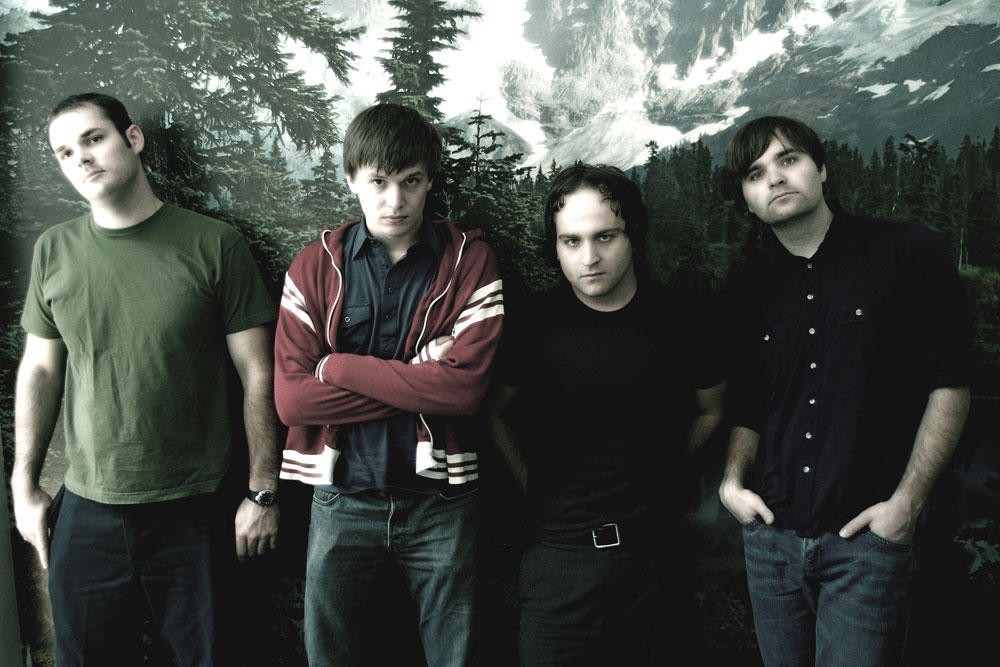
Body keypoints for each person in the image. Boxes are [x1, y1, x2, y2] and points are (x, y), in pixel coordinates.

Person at [11, 92, 281, 666]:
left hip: (195, 509)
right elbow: (39, 368)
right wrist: (23, 483)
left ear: (132, 139)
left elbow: (258, 371)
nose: (81, 158)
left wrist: (262, 491)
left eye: (93, 138)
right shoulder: (54, 250)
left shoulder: (215, 244)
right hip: (88, 508)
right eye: (65, 152)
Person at [718, 115, 972, 666]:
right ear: (747, 199)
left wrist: (907, 505)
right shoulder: (747, 287)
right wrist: (732, 483)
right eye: (756, 173)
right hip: (771, 541)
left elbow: (950, 385)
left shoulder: (906, 251)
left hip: (867, 541)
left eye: (788, 159)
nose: (775, 178)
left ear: (822, 169)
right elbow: (751, 405)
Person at [273, 102, 505, 666]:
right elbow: (293, 401)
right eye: (378, 181)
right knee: (331, 655)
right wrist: (421, 374)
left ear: (430, 181)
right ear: (351, 179)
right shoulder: (314, 267)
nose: (395, 200)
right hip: (342, 498)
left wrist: (336, 367)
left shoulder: (470, 263)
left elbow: (464, 393)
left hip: (442, 502)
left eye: (411, 181)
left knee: (456, 655)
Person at [484, 163, 727, 665]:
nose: (589, 257)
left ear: (632, 234)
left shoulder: (684, 319)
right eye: (571, 241)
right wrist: (531, 481)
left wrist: (662, 464)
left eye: (605, 237)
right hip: (558, 560)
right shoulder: (534, 324)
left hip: (654, 558)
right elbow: (494, 413)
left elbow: (712, 410)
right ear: (555, 246)